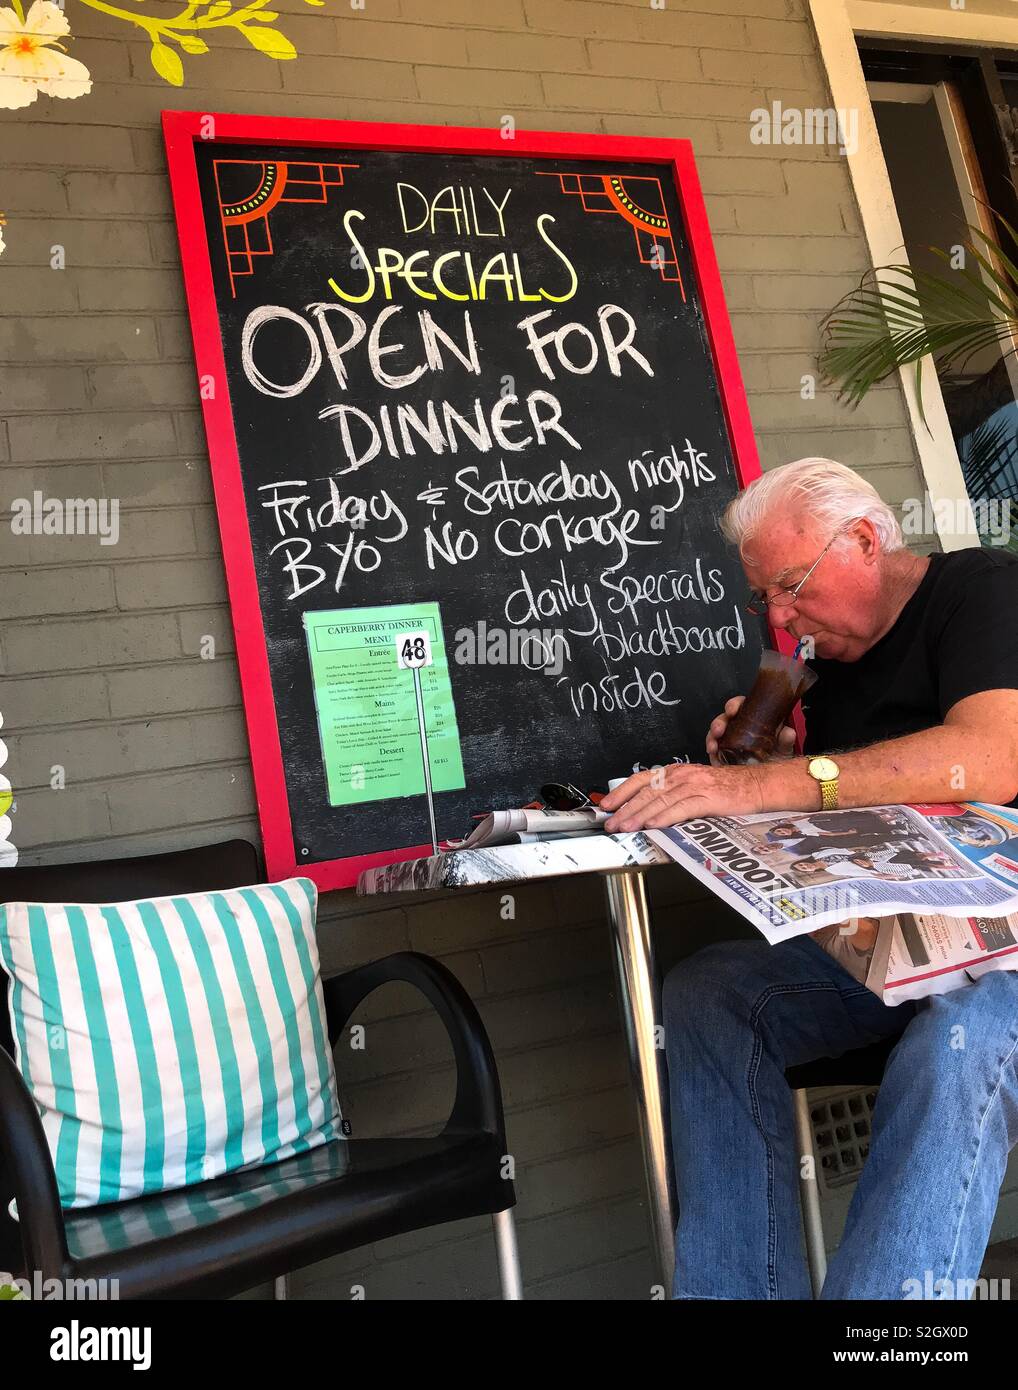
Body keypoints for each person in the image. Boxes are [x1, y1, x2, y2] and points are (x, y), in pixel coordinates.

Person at [600, 457, 1018, 1300]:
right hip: (897, 952)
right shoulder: (818, 670)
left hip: (1002, 956)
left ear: (865, 539)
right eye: (767, 599)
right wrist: (780, 773)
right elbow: (855, 798)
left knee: (955, 1043)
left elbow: (991, 757)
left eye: (791, 586)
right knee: (709, 994)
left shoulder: (980, 591)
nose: (783, 616)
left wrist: (769, 784)